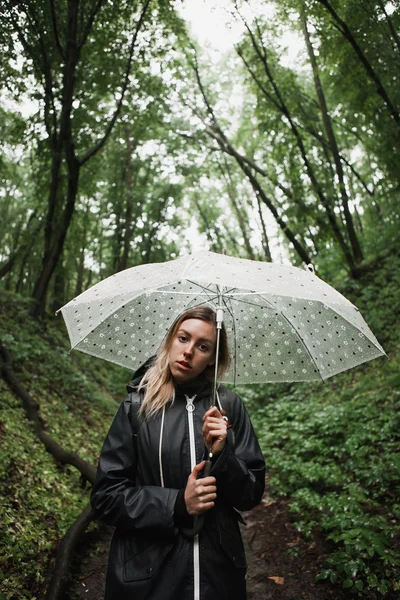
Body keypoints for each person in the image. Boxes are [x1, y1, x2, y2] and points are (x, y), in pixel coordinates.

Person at [90, 306, 265, 600]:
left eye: (203, 346)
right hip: (147, 574)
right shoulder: (137, 407)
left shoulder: (229, 407)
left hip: (218, 575)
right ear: (171, 339)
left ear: (212, 359)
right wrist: (177, 504)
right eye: (183, 338)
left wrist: (223, 455)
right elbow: (106, 497)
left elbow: (251, 493)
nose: (188, 352)